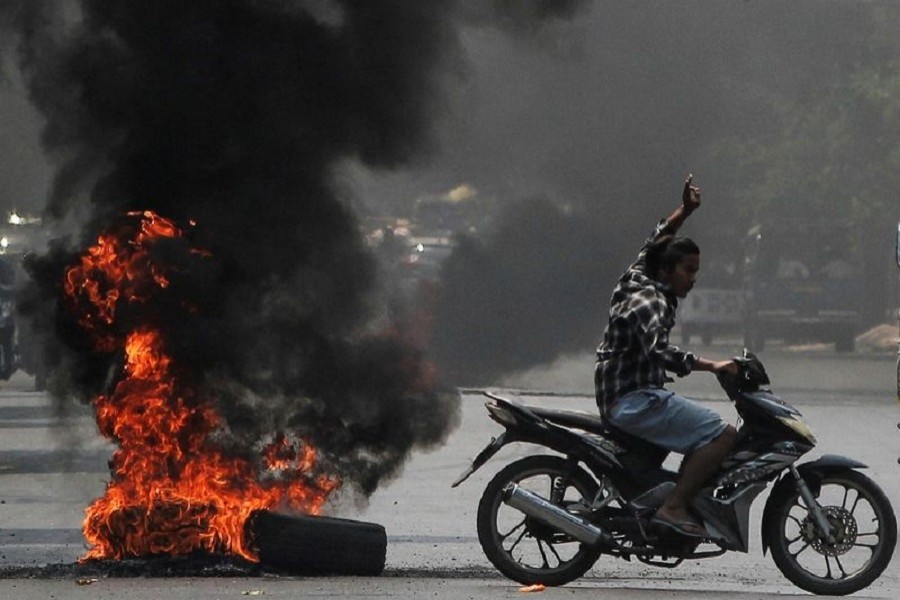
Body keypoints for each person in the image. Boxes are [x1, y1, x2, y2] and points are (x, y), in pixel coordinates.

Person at [594, 174, 738, 538]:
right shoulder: (651, 301)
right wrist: (713, 365)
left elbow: (654, 239)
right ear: (667, 270)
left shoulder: (639, 275)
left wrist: (685, 211)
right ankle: (673, 507)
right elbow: (658, 351)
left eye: (696, 271)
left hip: (626, 395)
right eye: (688, 271)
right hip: (634, 401)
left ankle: (668, 499)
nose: (693, 279)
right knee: (722, 435)